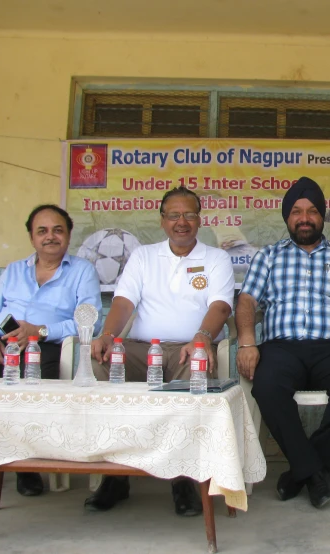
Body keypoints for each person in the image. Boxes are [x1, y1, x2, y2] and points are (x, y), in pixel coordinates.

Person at [236, 176, 330, 509]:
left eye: (312, 211)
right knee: (267, 385)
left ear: (322, 217)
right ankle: (316, 472)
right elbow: (246, 300)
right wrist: (247, 342)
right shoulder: (269, 256)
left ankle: (301, 471)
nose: (305, 217)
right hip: (282, 348)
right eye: (297, 212)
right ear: (287, 218)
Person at [87, 186, 234, 516]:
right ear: (162, 220)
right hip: (143, 348)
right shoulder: (143, 256)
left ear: (200, 219)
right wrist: (108, 335)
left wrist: (200, 338)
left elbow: (222, 306)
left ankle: (182, 479)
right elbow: (124, 301)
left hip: (188, 348)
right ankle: (115, 475)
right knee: (104, 363)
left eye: (189, 215)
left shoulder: (216, 258)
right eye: (174, 215)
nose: (182, 222)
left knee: (196, 372)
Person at [0, 204, 102, 500]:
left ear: (69, 235)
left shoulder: (82, 271)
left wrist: (40, 331)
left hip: (42, 348)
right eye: (42, 231)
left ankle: (27, 466)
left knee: (31, 394)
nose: (50, 237)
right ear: (32, 238)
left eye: (58, 230)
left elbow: (89, 320)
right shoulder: (13, 271)